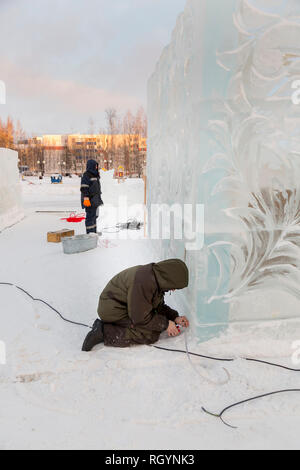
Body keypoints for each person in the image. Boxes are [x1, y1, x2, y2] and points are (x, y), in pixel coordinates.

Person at [82, 259, 190, 351]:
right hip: (113, 310)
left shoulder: (155, 278)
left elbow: (158, 307)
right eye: (175, 286)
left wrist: (174, 317)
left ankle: (110, 327)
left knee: (155, 323)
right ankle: (103, 332)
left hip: (126, 306)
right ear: (168, 279)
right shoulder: (144, 283)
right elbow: (140, 318)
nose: (174, 289)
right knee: (149, 334)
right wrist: (166, 324)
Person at [80, 160, 103, 234]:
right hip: (89, 200)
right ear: (91, 166)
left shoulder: (95, 175)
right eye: (95, 165)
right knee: (90, 217)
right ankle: (90, 233)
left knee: (94, 217)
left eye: (97, 165)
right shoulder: (86, 175)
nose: (96, 167)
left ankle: (93, 232)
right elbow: (84, 187)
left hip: (95, 200)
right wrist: (86, 198)